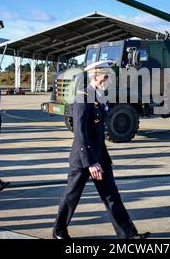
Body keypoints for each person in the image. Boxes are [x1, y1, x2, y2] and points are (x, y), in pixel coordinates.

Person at [53, 60, 150, 239]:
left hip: (100, 157)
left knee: (112, 195)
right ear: (94, 76)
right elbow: (80, 133)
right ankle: (59, 231)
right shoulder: (83, 97)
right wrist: (90, 162)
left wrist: (101, 158)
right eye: (106, 75)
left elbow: (98, 132)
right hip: (83, 159)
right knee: (71, 196)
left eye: (110, 75)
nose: (109, 78)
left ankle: (128, 235)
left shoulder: (99, 95)